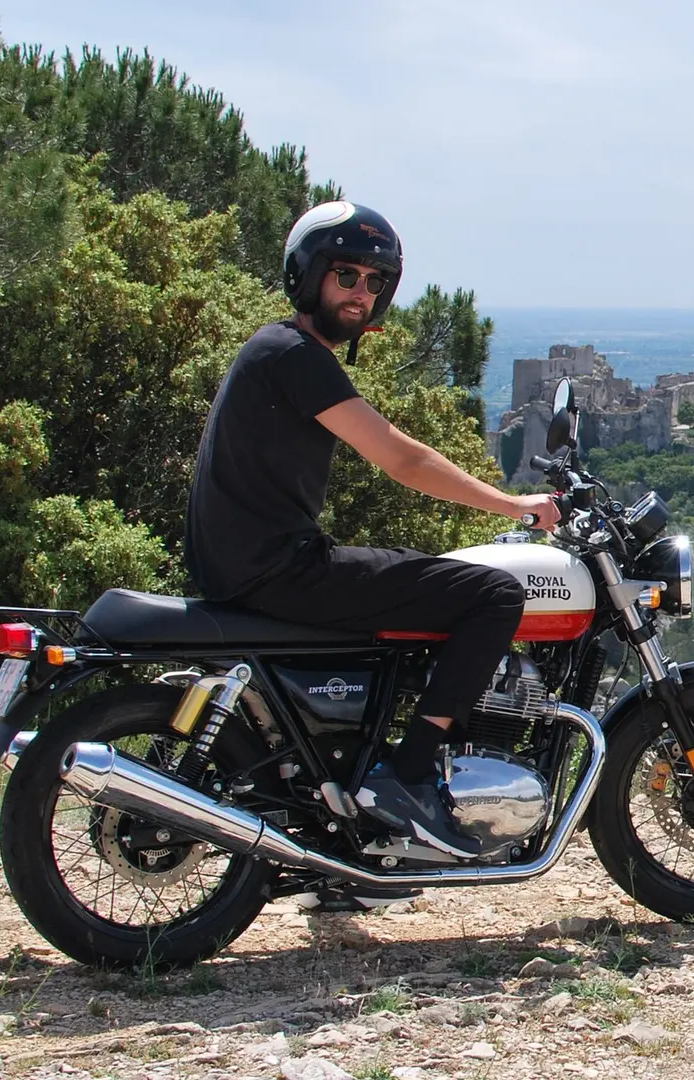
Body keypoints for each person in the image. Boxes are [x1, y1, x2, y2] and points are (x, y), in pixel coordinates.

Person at [185, 201, 561, 901]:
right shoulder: (295, 356)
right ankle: (408, 780)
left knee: (403, 610)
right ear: (307, 276)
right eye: (345, 275)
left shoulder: (278, 353)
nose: (359, 293)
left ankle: (353, 849)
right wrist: (514, 506)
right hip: (279, 569)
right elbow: (401, 459)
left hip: (255, 565)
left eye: (373, 282)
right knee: (493, 592)